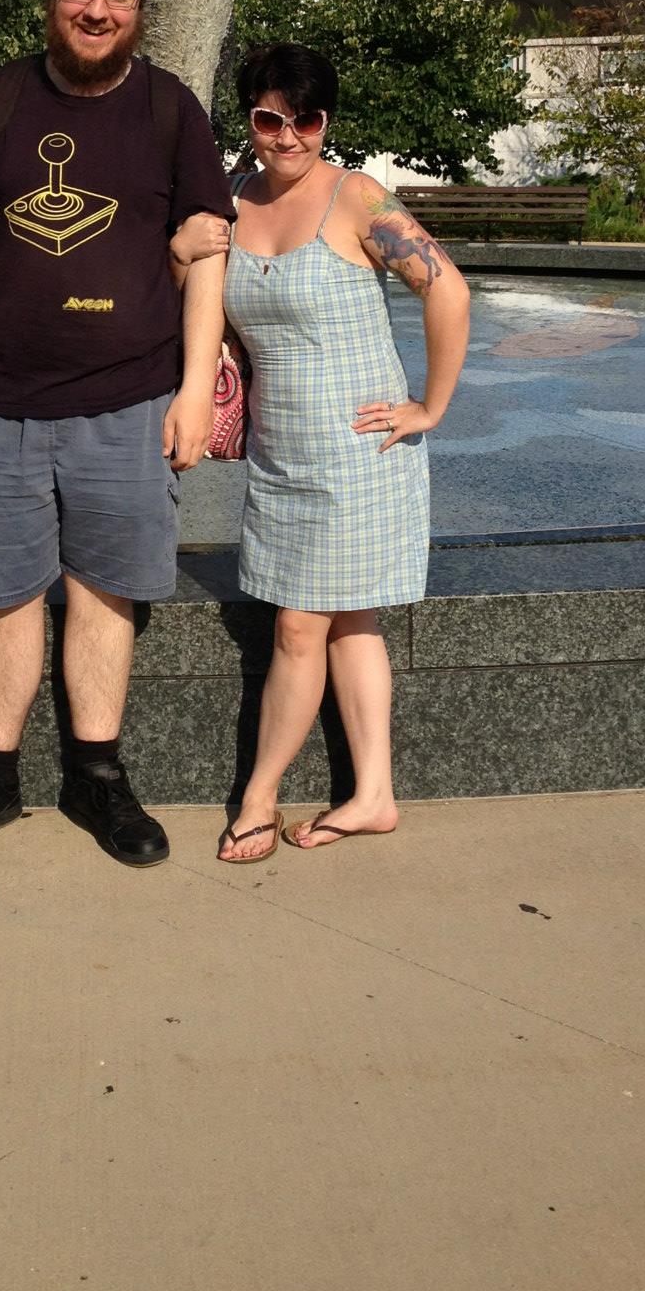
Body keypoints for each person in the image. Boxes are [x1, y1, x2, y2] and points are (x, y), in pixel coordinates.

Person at [0, 0, 233, 868]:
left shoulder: (172, 111)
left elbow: (206, 253)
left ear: (141, 5)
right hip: (3, 403)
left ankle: (96, 776)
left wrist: (197, 391)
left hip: (131, 401)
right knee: (2, 594)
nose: (98, 9)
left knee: (105, 591)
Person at [185, 43, 470, 862]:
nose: (288, 137)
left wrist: (431, 406)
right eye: (269, 119)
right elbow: (201, 303)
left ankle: (258, 798)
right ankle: (374, 795)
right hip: (281, 458)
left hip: (357, 455)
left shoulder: (358, 198)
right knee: (351, 622)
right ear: (249, 121)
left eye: (305, 120)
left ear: (326, 121)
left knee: (300, 626)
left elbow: (448, 289)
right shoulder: (231, 202)